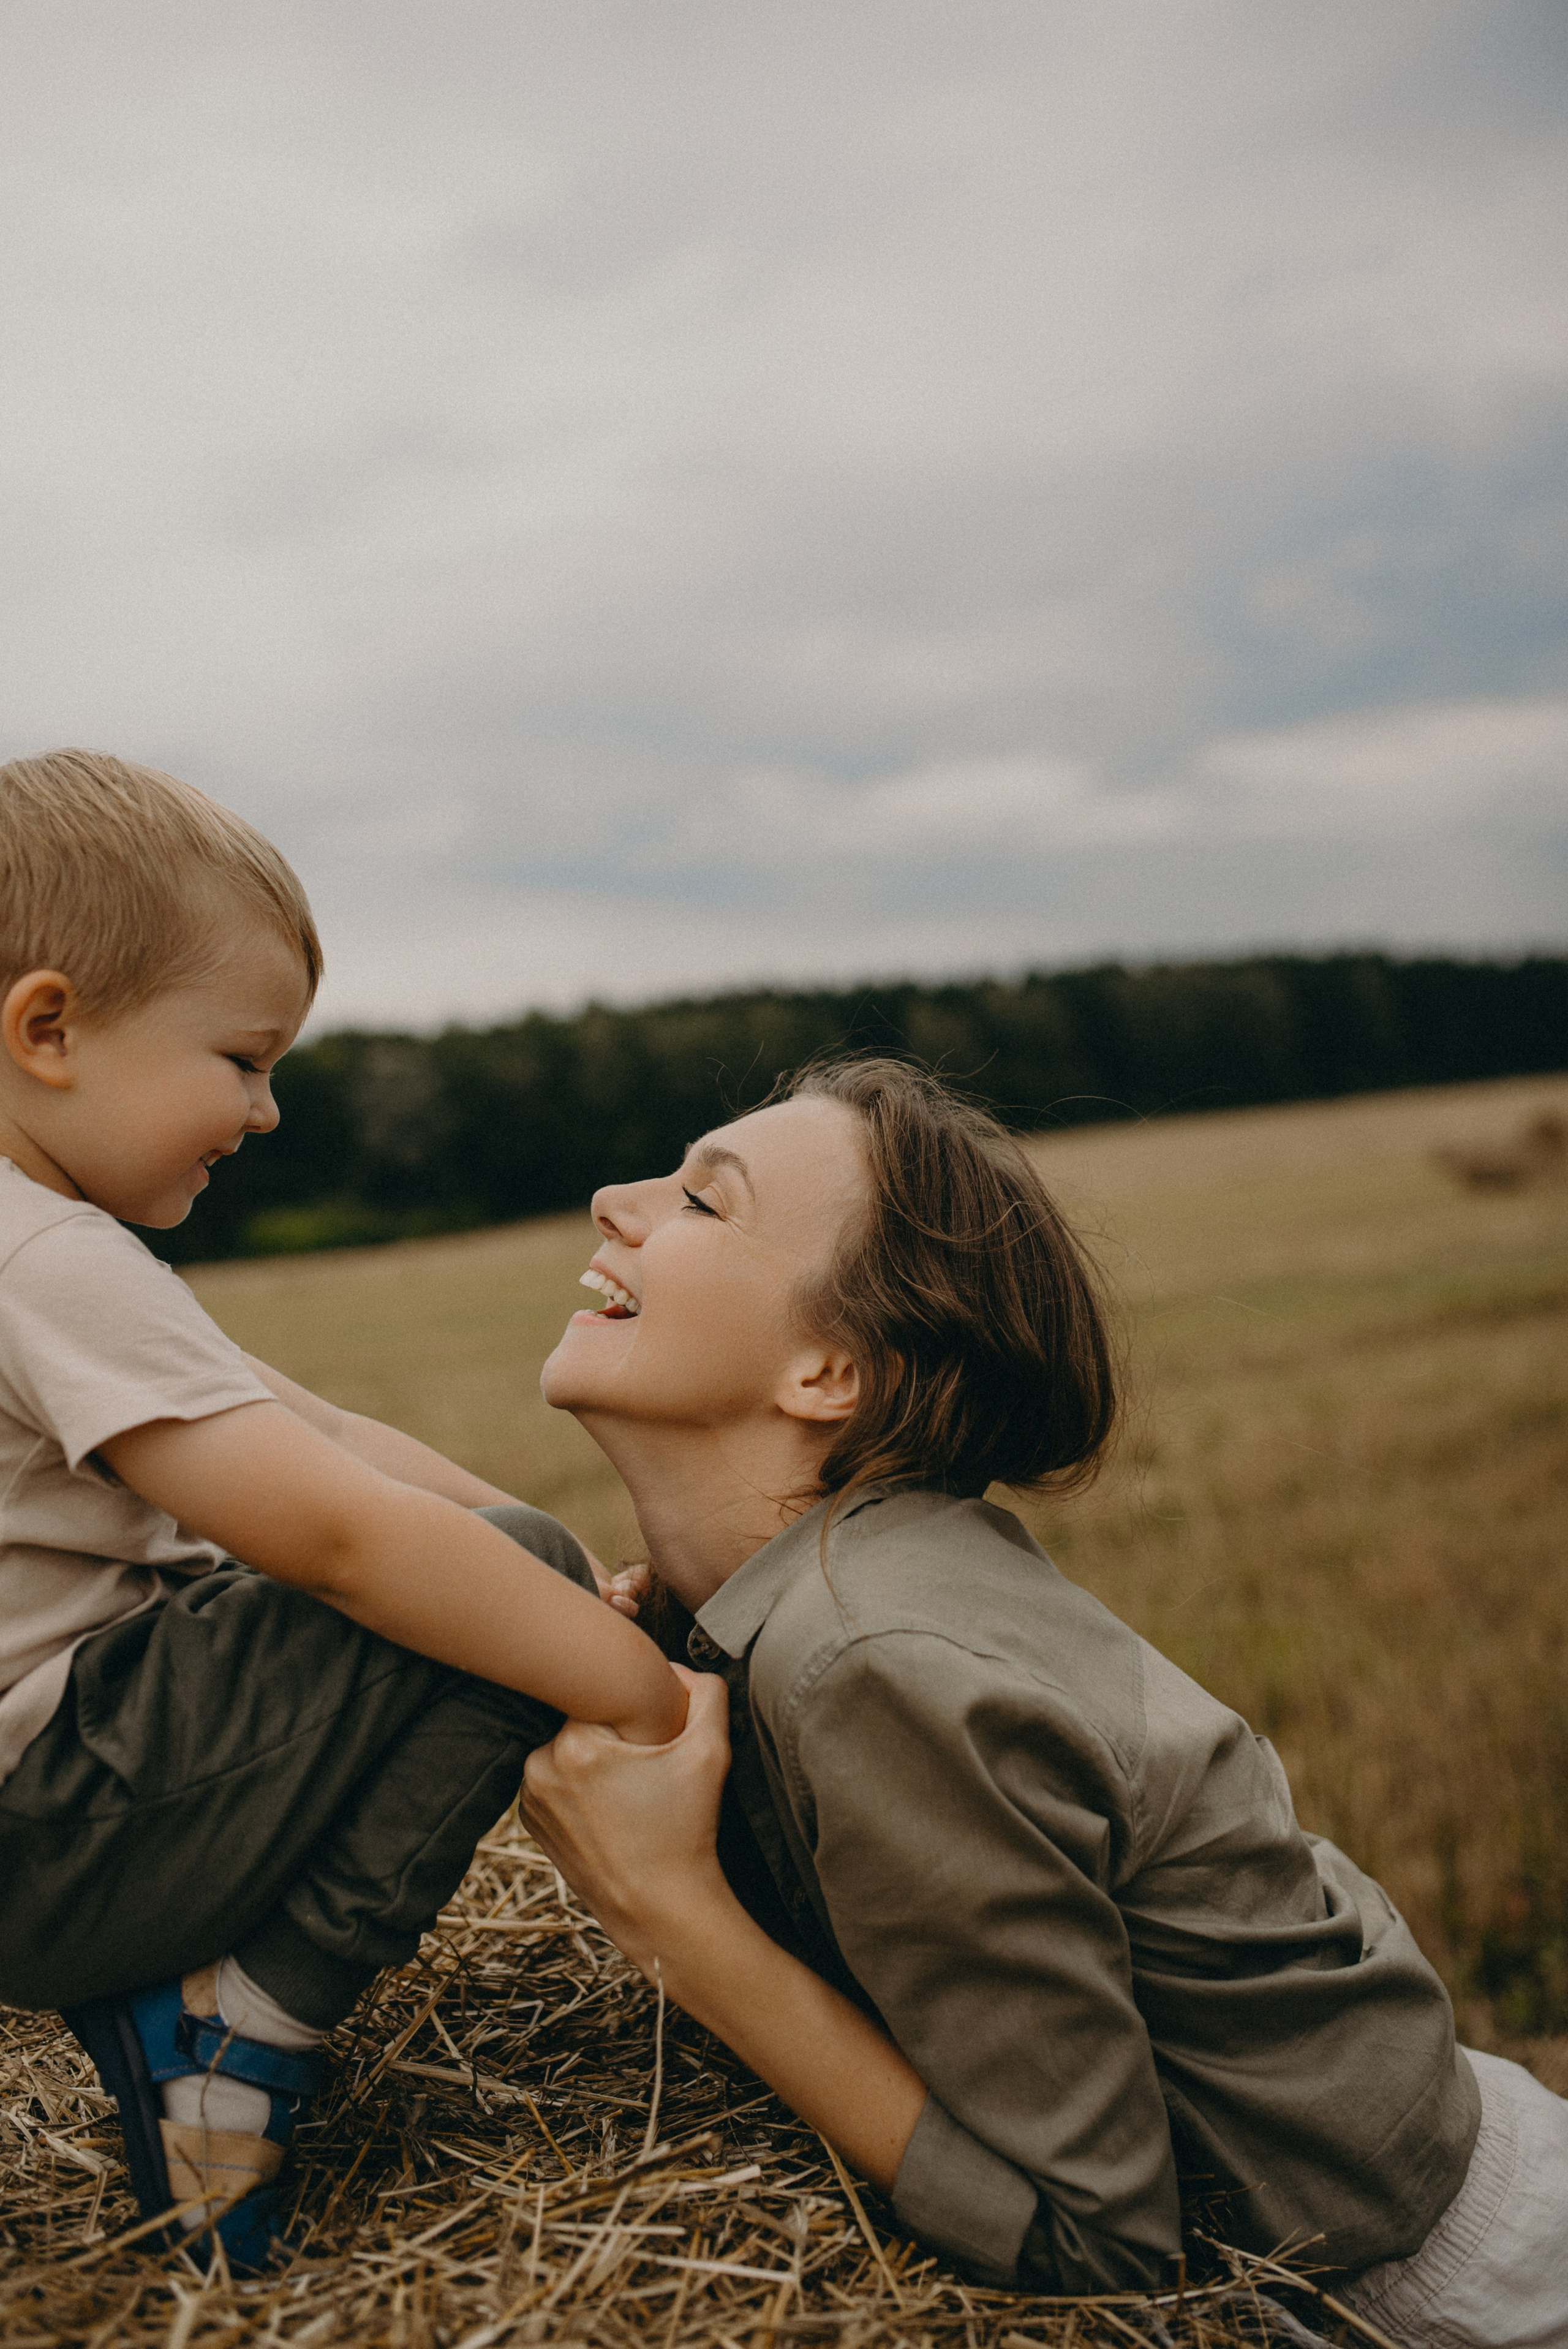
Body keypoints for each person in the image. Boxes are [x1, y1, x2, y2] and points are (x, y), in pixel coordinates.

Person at [521, 1057, 1568, 2344]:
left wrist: (665, 1909)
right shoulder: (828, 1589)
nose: (611, 1202)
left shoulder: (868, 1658)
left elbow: (1095, 2240)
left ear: (828, 1373)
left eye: (699, 1202)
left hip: (1440, 2297)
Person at [0, 749, 684, 2271]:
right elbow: (341, 1541)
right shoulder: (45, 1263)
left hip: (51, 1817)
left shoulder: (40, 1252)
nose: (267, 1110)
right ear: (49, 1029)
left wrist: (549, 1554)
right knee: (478, 1602)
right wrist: (644, 1693)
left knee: (510, 1573)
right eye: (242, 1059)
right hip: (51, 1832)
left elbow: (311, 1430)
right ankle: (238, 2023)